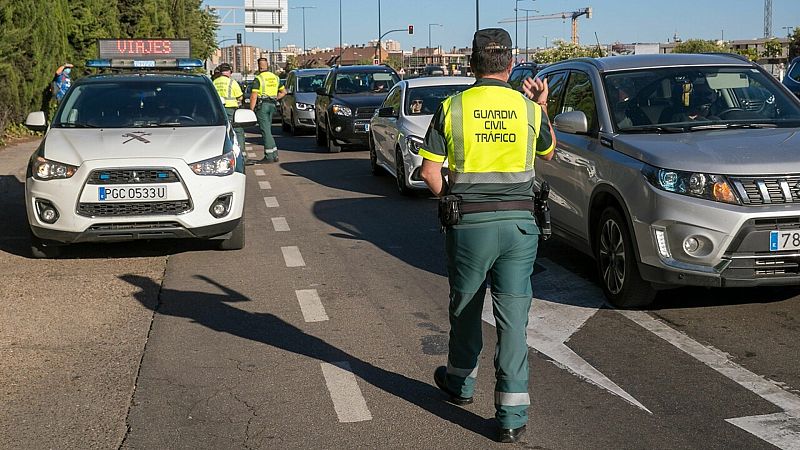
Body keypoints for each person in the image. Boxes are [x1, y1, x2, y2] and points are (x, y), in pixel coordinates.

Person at [418, 28, 555, 444]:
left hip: (470, 227)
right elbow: (548, 151)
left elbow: (428, 172)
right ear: (510, 65)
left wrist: (453, 203)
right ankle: (511, 415)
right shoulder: (528, 110)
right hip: (520, 226)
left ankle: (460, 382)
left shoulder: (452, 107)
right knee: (514, 319)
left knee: (465, 305)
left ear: (472, 65)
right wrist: (541, 106)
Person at [249, 57, 285, 163]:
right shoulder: (275, 77)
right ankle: (274, 154)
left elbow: (254, 96)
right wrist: (274, 98)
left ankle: (269, 156)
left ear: (259, 66)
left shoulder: (258, 78)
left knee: (265, 131)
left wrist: (251, 110)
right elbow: (284, 92)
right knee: (268, 130)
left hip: (262, 105)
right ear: (267, 65)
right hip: (272, 105)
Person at [212, 63, 246, 155]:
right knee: (237, 130)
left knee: (221, 132)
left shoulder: (214, 82)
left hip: (217, 111)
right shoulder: (232, 82)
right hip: (230, 109)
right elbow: (240, 96)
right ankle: (241, 154)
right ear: (229, 72)